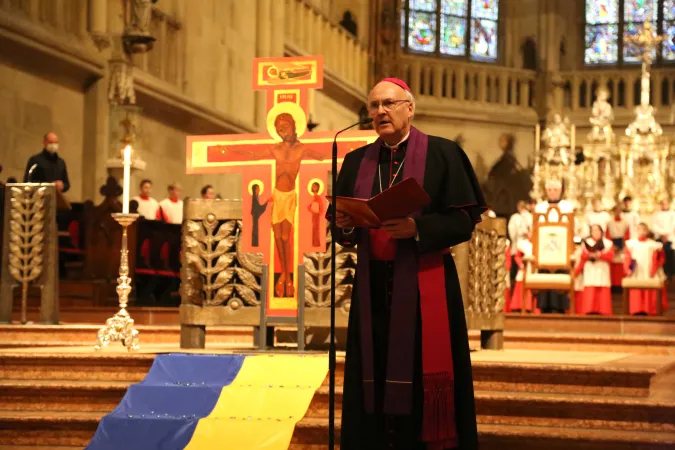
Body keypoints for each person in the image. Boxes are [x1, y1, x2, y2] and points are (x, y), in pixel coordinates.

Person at [333, 78, 483, 450]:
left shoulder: (443, 154)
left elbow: (464, 222)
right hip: (371, 291)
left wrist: (418, 227)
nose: (380, 112)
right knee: (373, 372)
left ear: (409, 108)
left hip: (424, 284)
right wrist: (344, 225)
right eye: (373, 106)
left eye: (388, 103)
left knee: (420, 372)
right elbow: (343, 232)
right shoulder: (355, 161)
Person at [534, 179, 573, 314]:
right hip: (544, 248)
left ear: (560, 191)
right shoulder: (540, 207)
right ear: (546, 191)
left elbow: (572, 226)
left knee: (560, 273)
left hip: (562, 249)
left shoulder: (568, 207)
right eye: (550, 190)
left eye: (555, 190)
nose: (552, 192)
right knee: (544, 274)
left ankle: (560, 306)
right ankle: (544, 305)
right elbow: (535, 227)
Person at [624, 223, 669, 315]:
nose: (642, 232)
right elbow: (627, 257)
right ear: (636, 231)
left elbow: (661, 258)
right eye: (639, 229)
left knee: (650, 287)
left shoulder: (654, 245)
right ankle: (637, 309)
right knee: (637, 288)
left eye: (644, 229)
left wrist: (655, 267)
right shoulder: (631, 244)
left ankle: (650, 309)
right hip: (636, 271)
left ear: (647, 231)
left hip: (649, 270)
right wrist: (628, 269)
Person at [574, 224, 614, 315]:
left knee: (602, 286)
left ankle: (603, 310)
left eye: (597, 230)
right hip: (590, 268)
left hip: (602, 268)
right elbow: (583, 255)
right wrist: (590, 255)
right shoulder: (586, 242)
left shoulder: (608, 243)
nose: (595, 232)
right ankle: (589, 309)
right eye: (593, 230)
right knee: (590, 287)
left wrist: (600, 255)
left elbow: (611, 256)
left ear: (601, 232)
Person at [651, 197, 675, 280]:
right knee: (660, 256)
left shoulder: (673, 214)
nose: (664, 205)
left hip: (670, 238)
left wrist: (666, 235)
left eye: (666, 204)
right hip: (659, 238)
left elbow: (673, 226)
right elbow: (654, 226)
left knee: (670, 256)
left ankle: (670, 274)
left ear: (668, 204)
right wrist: (662, 234)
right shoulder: (656, 215)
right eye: (662, 204)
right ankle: (660, 273)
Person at [507, 201, 528, 291]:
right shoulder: (529, 216)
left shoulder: (516, 217)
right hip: (525, 245)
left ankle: (516, 289)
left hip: (519, 245)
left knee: (516, 271)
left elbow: (512, 232)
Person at [308, 181, 325, 247]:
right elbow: (308, 206)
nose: (314, 187)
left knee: (316, 229)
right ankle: (313, 243)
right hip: (312, 214)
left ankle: (316, 243)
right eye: (313, 186)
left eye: (315, 186)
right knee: (313, 229)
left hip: (316, 215)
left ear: (318, 188)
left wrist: (318, 213)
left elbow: (321, 207)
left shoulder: (318, 197)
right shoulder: (312, 196)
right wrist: (310, 208)